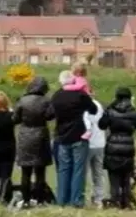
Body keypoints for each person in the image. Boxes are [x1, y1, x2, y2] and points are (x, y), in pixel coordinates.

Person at [51, 70, 97, 207]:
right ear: (73, 80)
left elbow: (51, 113)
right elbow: (93, 109)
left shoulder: (56, 96)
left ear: (61, 82)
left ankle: (61, 200)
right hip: (78, 135)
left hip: (62, 136)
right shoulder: (80, 95)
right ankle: (76, 200)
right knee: (78, 169)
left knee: (64, 169)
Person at [12, 77, 55, 208]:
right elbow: (50, 116)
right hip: (41, 135)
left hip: (25, 136)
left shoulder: (22, 100)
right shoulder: (47, 101)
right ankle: (41, 201)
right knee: (40, 172)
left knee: (26, 172)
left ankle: (25, 201)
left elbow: (15, 119)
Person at [98, 87, 136, 210]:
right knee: (126, 178)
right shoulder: (132, 111)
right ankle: (125, 203)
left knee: (114, 178)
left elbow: (102, 125)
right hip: (128, 145)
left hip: (113, 145)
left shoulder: (111, 110)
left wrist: (107, 111)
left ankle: (115, 202)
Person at [84, 95, 106, 207]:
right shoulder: (98, 105)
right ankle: (99, 198)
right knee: (98, 173)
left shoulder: (84, 106)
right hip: (100, 143)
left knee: (83, 173)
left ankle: (81, 196)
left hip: (87, 144)